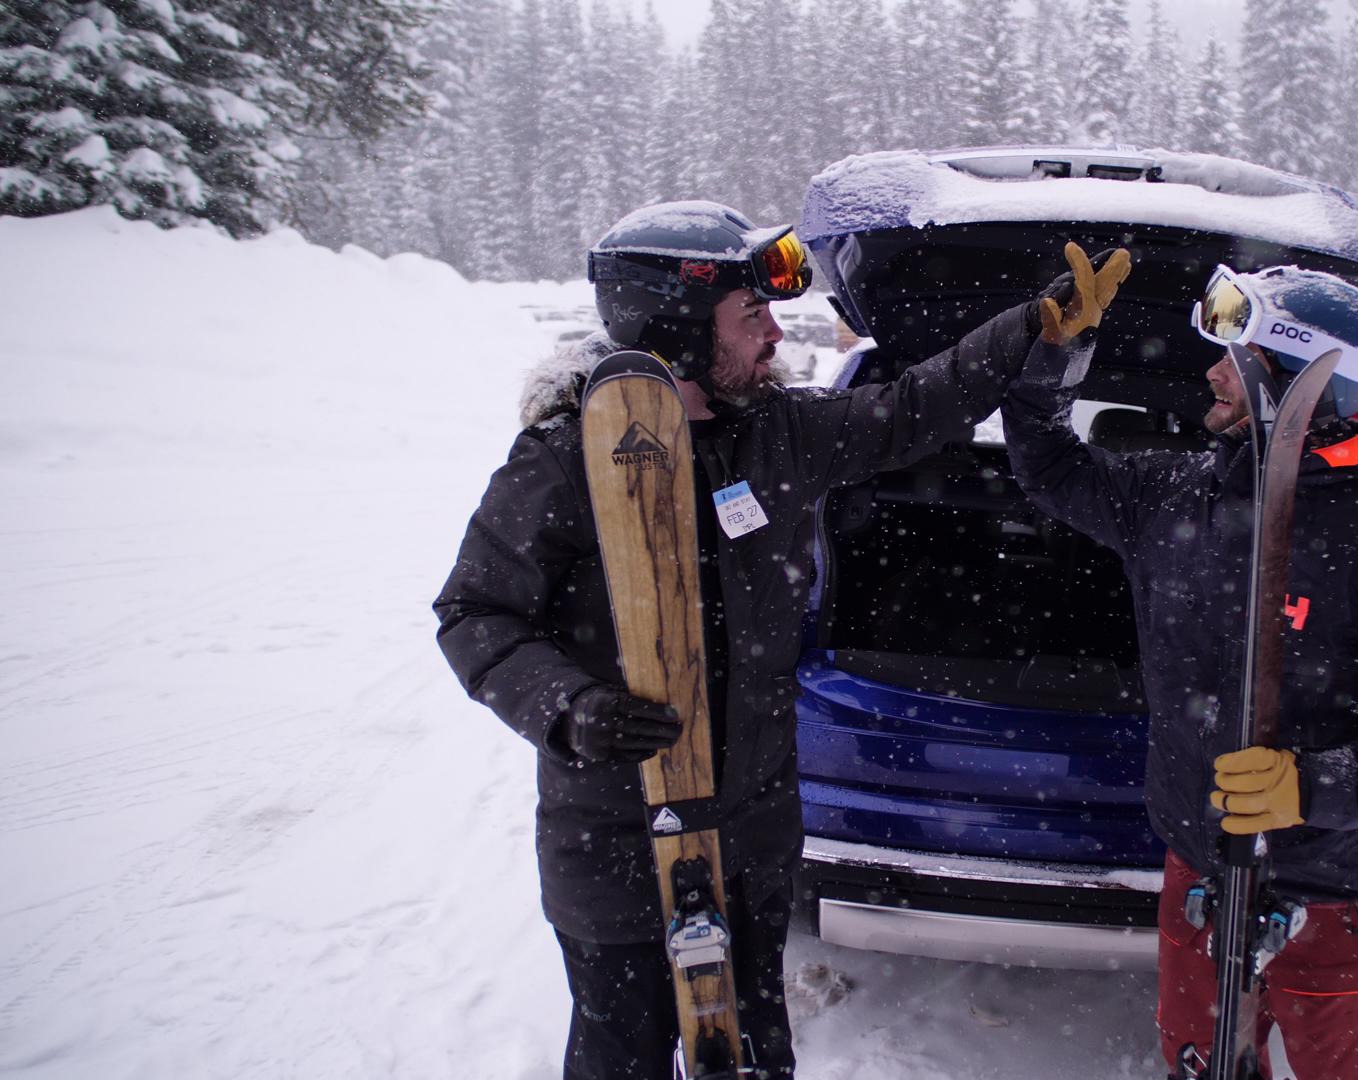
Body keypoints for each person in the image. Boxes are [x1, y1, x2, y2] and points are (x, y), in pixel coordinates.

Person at [431, 200, 1126, 1080]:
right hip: (613, 842)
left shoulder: (777, 434)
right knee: (620, 1057)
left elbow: (916, 404)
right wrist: (570, 708)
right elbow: (475, 614)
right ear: (677, 329)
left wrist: (1030, 325)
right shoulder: (566, 459)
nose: (773, 331)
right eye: (750, 313)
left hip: (752, 835)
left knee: (755, 1056)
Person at [1000, 263, 1358, 1080]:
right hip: (1197, 869)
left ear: (1297, 381)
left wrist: (1316, 783)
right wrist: (1059, 354)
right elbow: (1048, 466)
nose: (1209, 372)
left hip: (1328, 891)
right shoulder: (1175, 492)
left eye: (1236, 356)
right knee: (1200, 1067)